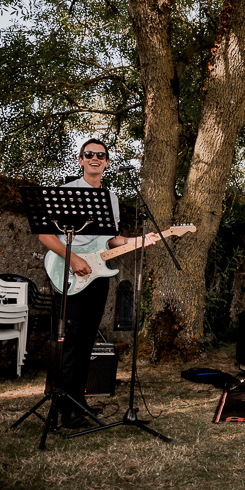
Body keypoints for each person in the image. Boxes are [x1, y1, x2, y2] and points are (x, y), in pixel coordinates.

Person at [38, 138, 156, 427]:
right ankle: (65, 408)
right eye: (89, 154)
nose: (95, 158)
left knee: (86, 340)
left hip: (98, 275)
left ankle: (78, 402)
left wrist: (136, 241)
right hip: (69, 273)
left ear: (106, 163)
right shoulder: (65, 193)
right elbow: (45, 235)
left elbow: (109, 239)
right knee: (70, 342)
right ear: (81, 160)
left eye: (100, 155)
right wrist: (72, 259)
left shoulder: (110, 198)